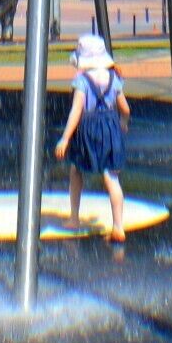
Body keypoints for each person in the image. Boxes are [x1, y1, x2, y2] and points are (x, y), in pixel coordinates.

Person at [55, 31, 130, 242]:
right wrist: (123, 122)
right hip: (110, 128)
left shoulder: (82, 80)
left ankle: (74, 218)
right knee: (112, 177)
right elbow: (125, 108)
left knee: (76, 169)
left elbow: (76, 111)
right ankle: (118, 226)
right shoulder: (114, 78)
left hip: (87, 129)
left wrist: (65, 138)